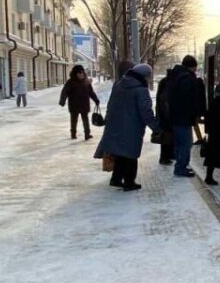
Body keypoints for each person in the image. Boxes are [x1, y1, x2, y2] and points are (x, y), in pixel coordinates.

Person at [94, 62, 160, 191]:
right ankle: (129, 182)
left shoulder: (118, 84)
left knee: (119, 152)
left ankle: (116, 178)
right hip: (132, 127)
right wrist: (156, 127)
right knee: (130, 154)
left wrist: (109, 120)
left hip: (116, 124)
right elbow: (146, 112)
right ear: (145, 76)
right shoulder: (140, 90)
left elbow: (110, 104)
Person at [167, 55, 206, 177]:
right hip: (183, 117)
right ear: (191, 66)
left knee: (180, 143)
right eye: (195, 68)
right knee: (186, 143)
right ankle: (180, 167)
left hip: (176, 115)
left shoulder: (175, 75)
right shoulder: (187, 79)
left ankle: (180, 165)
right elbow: (189, 100)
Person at [59, 64, 100, 140]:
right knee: (74, 119)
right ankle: (73, 133)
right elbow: (65, 92)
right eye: (79, 73)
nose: (81, 74)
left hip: (84, 104)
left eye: (82, 72)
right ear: (75, 74)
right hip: (74, 104)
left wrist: (96, 100)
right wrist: (62, 101)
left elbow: (91, 92)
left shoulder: (86, 81)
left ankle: (87, 134)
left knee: (85, 119)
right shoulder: (70, 82)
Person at [155, 67, 175, 165]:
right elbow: (165, 102)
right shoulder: (168, 83)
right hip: (166, 116)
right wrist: (169, 117)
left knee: (166, 137)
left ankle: (165, 157)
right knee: (167, 138)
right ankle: (164, 158)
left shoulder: (163, 81)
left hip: (161, 114)